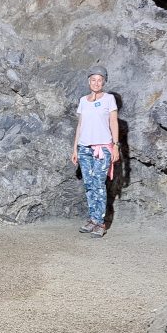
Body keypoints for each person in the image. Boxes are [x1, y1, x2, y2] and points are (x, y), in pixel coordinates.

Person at [70, 65, 120, 237]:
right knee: (89, 185)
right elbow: (80, 125)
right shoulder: (83, 101)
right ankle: (92, 219)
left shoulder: (109, 99)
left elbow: (114, 122)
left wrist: (116, 145)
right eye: (93, 79)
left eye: (100, 80)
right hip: (84, 148)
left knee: (99, 185)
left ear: (104, 82)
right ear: (88, 81)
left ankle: (100, 222)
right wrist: (75, 148)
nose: (96, 83)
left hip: (102, 148)